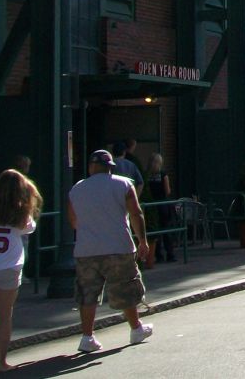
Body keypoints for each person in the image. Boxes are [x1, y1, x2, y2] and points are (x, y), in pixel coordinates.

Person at [69, 150, 153, 353]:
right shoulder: (123, 184)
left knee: (87, 293)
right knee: (125, 287)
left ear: (91, 167)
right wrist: (142, 240)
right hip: (118, 246)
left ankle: (87, 337)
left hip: (86, 249)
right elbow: (135, 213)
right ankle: (136, 329)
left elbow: (73, 221)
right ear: (110, 167)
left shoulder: (77, 189)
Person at [0, 169, 42, 372]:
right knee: (5, 315)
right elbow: (29, 228)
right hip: (9, 267)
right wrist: (28, 187)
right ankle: (2, 362)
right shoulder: (21, 211)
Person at [145, 153, 177, 263]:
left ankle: (158, 255)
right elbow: (167, 191)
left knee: (155, 231)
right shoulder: (163, 174)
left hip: (152, 206)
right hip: (163, 205)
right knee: (166, 230)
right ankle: (170, 254)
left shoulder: (147, 175)